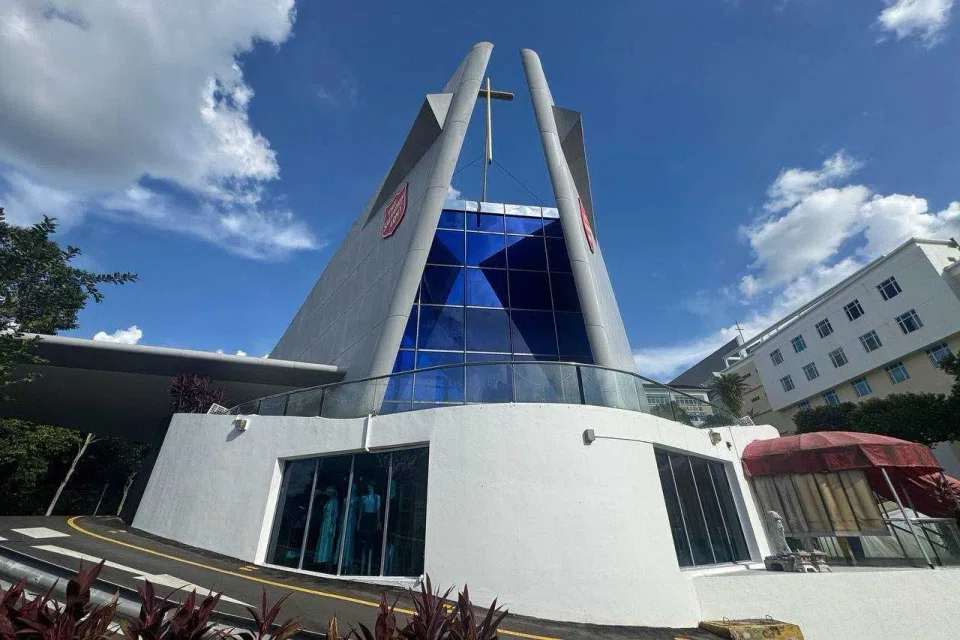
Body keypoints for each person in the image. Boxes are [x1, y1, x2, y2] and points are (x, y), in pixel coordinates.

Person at [357, 480, 382, 574]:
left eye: (371, 486)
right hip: (365, 518)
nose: (369, 487)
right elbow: (361, 511)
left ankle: (368, 569)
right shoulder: (364, 497)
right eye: (368, 486)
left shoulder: (377, 497)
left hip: (372, 519)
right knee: (363, 544)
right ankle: (363, 568)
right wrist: (359, 523)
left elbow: (378, 511)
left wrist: (378, 522)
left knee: (370, 544)